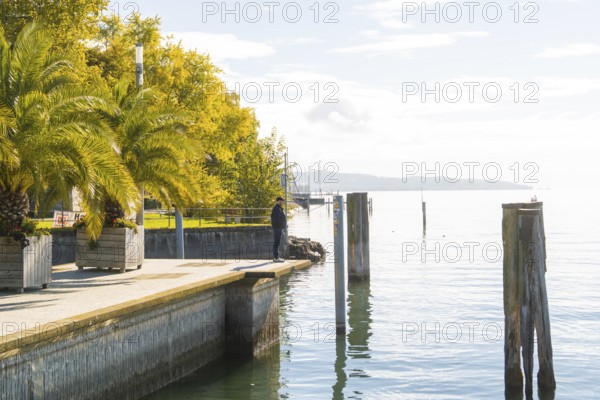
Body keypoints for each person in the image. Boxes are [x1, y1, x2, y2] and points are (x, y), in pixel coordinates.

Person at [271, 196, 287, 262]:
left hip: (278, 227)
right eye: (281, 201)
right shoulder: (277, 209)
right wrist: (281, 225)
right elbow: (276, 219)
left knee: (277, 242)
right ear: (277, 201)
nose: (282, 202)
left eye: (282, 201)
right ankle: (276, 257)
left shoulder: (278, 208)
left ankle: (276, 257)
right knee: (277, 242)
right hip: (277, 228)